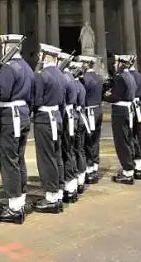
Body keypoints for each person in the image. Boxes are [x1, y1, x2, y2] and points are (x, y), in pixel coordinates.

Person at [0, 34, 34, 224]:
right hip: (24, 114)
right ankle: (20, 200)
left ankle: (14, 208)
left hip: (10, 116)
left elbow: (3, 93)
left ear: (9, 47)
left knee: (9, 160)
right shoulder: (27, 67)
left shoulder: (8, 68)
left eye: (4, 45)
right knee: (19, 158)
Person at [31, 43, 65, 214]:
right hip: (57, 117)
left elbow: (36, 100)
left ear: (45, 56)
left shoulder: (42, 75)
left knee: (46, 159)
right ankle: (57, 193)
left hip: (44, 119)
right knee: (56, 156)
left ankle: (51, 198)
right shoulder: (61, 75)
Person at [108, 55, 137, 185]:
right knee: (127, 140)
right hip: (128, 110)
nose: (114, 65)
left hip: (120, 111)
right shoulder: (129, 76)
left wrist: (105, 97)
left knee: (121, 142)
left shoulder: (119, 77)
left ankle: (127, 172)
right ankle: (129, 167)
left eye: (115, 63)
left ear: (121, 64)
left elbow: (115, 97)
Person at [57, 52, 79, 203]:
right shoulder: (69, 77)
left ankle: (69, 188)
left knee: (65, 151)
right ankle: (71, 186)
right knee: (69, 150)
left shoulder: (64, 78)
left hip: (65, 116)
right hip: (71, 114)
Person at [82, 55, 103, 185]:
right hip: (98, 110)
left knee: (88, 141)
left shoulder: (86, 79)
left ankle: (89, 169)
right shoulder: (98, 77)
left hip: (89, 111)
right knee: (95, 140)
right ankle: (94, 166)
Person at [69, 58, 88, 194]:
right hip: (80, 117)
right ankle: (81, 179)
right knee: (79, 150)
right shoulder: (80, 85)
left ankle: (74, 180)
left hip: (74, 118)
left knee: (73, 150)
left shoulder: (73, 85)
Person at [129, 58, 141, 180]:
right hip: (139, 105)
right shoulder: (139, 75)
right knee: (138, 134)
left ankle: (137, 164)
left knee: (132, 135)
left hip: (132, 107)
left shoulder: (130, 76)